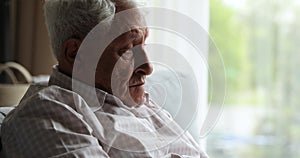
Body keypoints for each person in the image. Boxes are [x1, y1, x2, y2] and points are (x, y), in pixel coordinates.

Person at [1, 0, 208, 157]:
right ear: (75, 53)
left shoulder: (144, 105)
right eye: (127, 50)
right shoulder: (47, 114)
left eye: (143, 45)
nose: (148, 67)